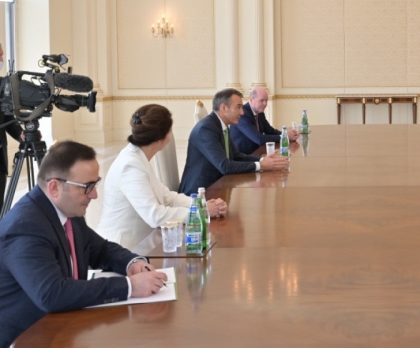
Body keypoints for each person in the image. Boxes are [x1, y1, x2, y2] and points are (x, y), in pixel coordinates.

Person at [0, 141, 167, 347]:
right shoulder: (24, 227)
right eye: (87, 187)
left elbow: (101, 249)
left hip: (63, 327)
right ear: (54, 187)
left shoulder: (68, 210)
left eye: (95, 184)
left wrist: (132, 263)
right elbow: (52, 294)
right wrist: (130, 286)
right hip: (27, 338)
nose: (94, 195)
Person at [97, 104, 228, 249]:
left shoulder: (138, 157)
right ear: (161, 138)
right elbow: (155, 216)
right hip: (122, 248)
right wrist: (200, 213)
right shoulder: (131, 166)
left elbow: (167, 197)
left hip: (143, 243)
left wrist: (201, 204)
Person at [178, 88, 289, 195]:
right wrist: (261, 165)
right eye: (238, 107)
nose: (242, 112)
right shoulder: (206, 129)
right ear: (223, 108)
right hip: (200, 193)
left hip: (218, 185)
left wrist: (264, 160)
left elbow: (236, 156)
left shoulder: (221, 125)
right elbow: (225, 166)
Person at [231, 86, 299, 154]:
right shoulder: (243, 115)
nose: (265, 104)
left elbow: (270, 131)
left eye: (266, 100)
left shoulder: (259, 112)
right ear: (251, 100)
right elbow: (259, 139)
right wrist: (285, 137)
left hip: (257, 151)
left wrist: (285, 134)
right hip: (243, 156)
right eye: (262, 100)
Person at [0, 43, 24, 208]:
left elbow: (7, 118)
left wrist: (21, 134)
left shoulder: (3, 85)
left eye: (2, 55)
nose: (2, 59)